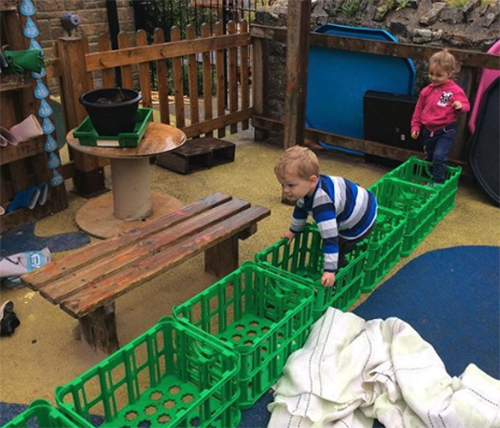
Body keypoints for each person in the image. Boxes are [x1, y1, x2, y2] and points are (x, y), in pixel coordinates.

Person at [274, 146, 377, 287]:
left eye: (290, 185)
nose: (285, 190)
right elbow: (300, 208)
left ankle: (343, 277)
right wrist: (293, 230)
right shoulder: (308, 189)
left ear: (312, 181)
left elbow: (331, 239)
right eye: (282, 185)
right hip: (361, 199)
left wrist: (329, 270)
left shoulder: (322, 206)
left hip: (361, 220)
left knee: (338, 246)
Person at [411, 49, 470, 186]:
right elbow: (418, 109)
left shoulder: (455, 91)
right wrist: (415, 125)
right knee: (431, 156)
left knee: (439, 156)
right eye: (431, 73)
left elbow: (466, 106)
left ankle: (438, 183)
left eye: (438, 75)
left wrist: (459, 105)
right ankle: (432, 179)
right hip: (428, 130)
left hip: (445, 130)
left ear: (449, 74)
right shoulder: (426, 91)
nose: (433, 78)